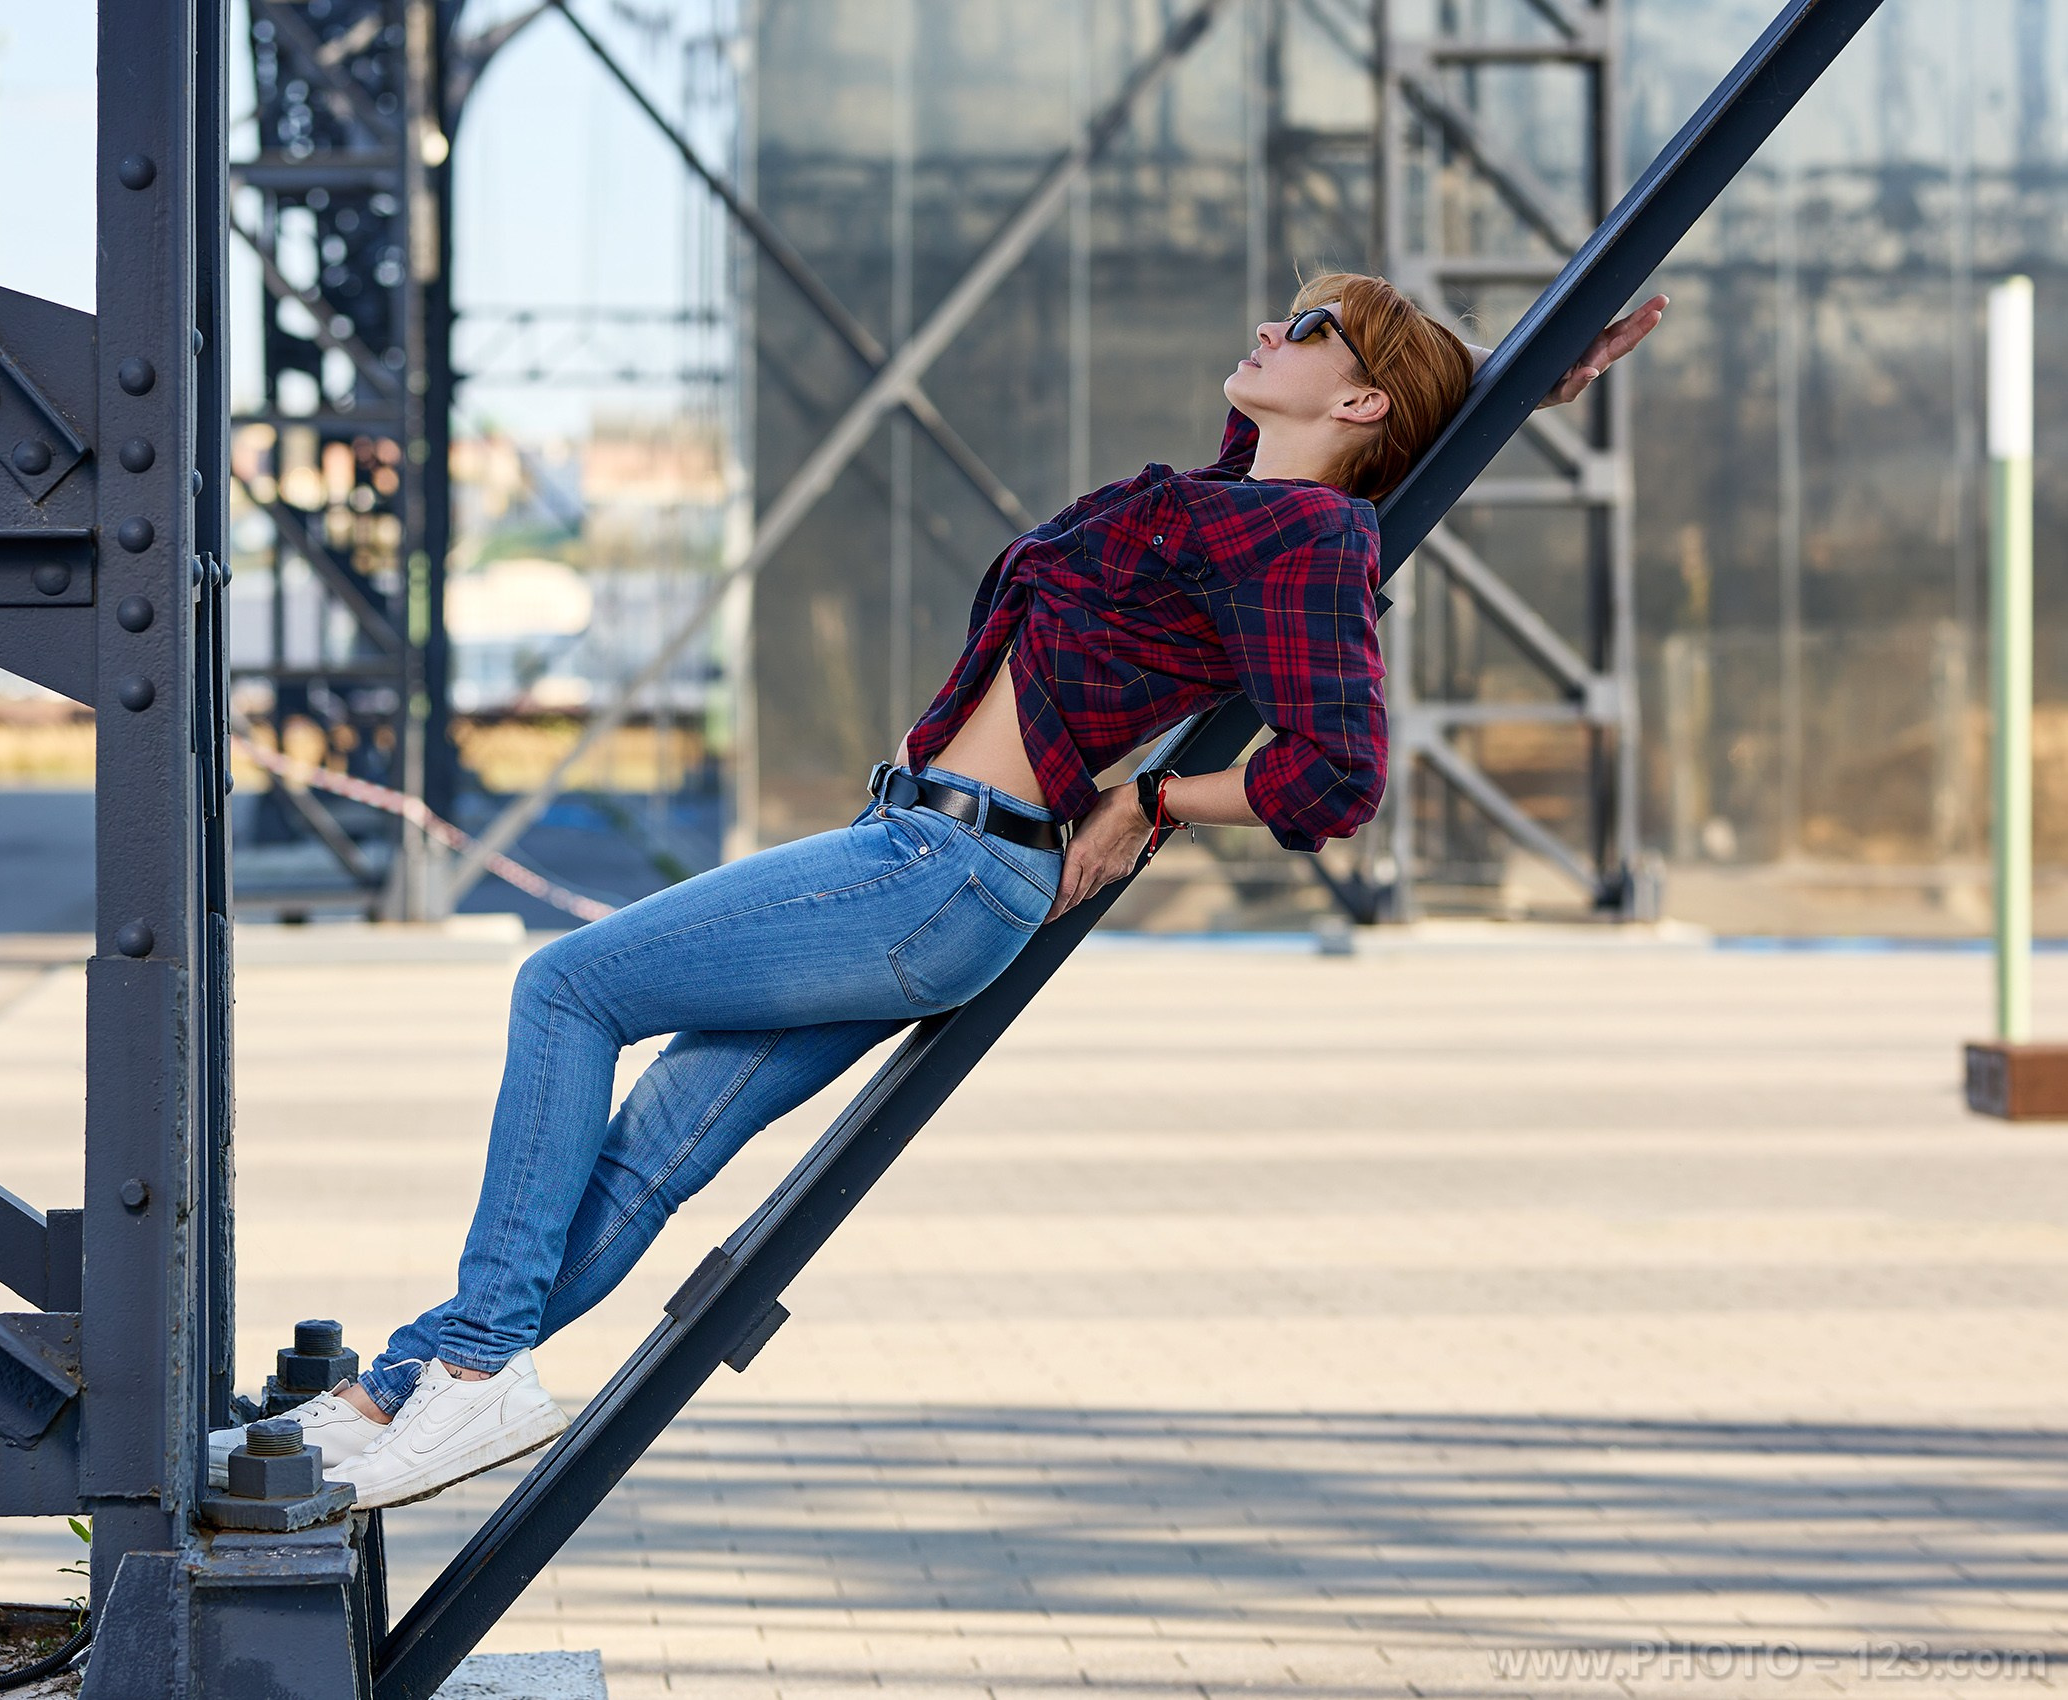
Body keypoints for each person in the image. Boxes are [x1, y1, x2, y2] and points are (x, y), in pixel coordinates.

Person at [211, 273, 1669, 1509]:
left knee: (565, 983)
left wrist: (1156, 794)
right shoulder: (1238, 500)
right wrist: (1502, 382)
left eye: (1305, 327)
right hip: (925, 862)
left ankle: (465, 1369)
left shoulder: (1307, 539)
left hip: (935, 873)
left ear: (1353, 406)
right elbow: (1347, 428)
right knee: (649, 1158)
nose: (1269, 333)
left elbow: (1333, 775)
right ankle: (412, 1395)